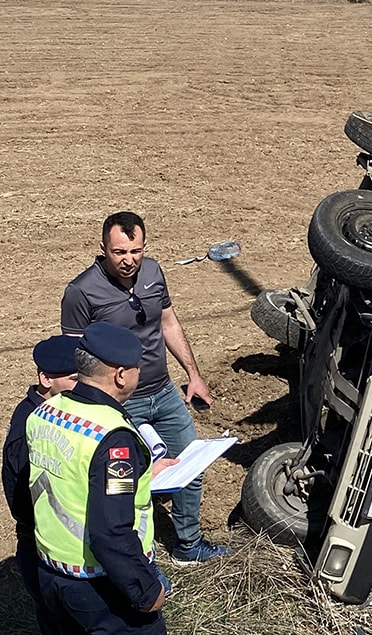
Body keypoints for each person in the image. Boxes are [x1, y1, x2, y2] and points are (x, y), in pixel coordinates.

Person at [61, 211, 229, 563]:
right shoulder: (81, 292)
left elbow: (167, 322)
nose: (128, 260)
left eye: (135, 251)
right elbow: (75, 359)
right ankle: (136, 557)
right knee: (128, 483)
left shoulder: (152, 272)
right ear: (103, 248)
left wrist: (193, 374)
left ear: (144, 245)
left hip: (164, 392)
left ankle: (188, 544)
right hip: (120, 404)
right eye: (119, 252)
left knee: (188, 467)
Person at [29, 323, 173, 634]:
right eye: (137, 367)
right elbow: (111, 531)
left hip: (51, 574)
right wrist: (145, 591)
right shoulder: (113, 438)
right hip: (103, 587)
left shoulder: (45, 411)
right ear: (121, 375)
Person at [4, 335, 79, 635]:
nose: (83, 385)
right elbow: (21, 496)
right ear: (45, 378)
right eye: (75, 378)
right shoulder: (29, 427)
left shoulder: (60, 411)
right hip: (43, 549)